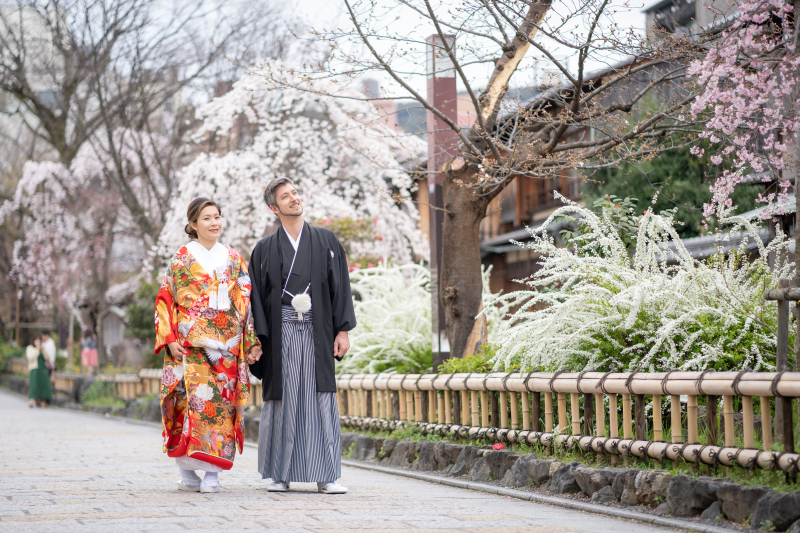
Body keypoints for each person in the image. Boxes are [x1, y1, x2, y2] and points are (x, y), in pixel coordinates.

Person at [247, 177, 356, 494]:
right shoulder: (265, 249)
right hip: (279, 331)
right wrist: (256, 338)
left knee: (320, 396)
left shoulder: (325, 240)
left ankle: (327, 475)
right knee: (282, 398)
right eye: (286, 196)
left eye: (295, 192)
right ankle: (280, 473)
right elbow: (255, 298)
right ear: (274, 207)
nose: (294, 198)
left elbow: (341, 287)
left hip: (317, 328)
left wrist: (343, 329)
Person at [155, 198, 260, 494]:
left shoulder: (234, 259)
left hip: (226, 349)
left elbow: (247, 303)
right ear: (192, 224)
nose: (214, 223)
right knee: (187, 407)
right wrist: (170, 339)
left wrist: (250, 340)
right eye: (207, 218)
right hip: (189, 349)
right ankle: (188, 472)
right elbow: (166, 300)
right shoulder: (181, 259)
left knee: (219, 409)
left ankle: (213, 473)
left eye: (218, 217)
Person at [26, 335, 52, 407]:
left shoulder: (42, 349)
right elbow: (30, 357)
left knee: (44, 384)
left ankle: (42, 400)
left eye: (39, 341)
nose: (38, 342)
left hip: (42, 369)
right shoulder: (30, 348)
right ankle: (32, 400)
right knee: (34, 385)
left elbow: (47, 358)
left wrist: (43, 350)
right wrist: (37, 349)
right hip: (34, 369)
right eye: (36, 340)